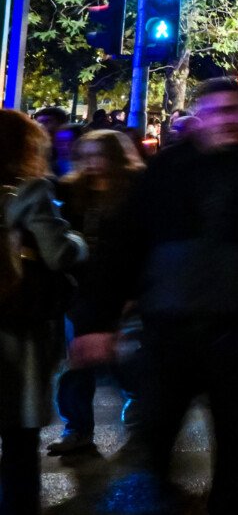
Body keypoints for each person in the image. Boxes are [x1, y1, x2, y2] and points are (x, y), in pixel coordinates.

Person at [86, 79, 238, 515]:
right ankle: (164, 503)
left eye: (237, 111)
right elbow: (123, 245)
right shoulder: (166, 171)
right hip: (172, 329)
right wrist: (98, 319)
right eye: (219, 110)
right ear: (200, 116)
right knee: (154, 429)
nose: (228, 119)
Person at [0, 109, 87, 515]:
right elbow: (59, 253)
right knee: (17, 434)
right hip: (18, 330)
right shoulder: (31, 191)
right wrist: (78, 240)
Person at [50, 129, 140, 460]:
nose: (92, 163)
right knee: (77, 366)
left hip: (124, 293)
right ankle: (77, 429)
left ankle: (139, 428)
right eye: (85, 155)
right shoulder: (71, 190)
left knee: (126, 365)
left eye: (99, 155)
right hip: (80, 292)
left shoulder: (134, 191)